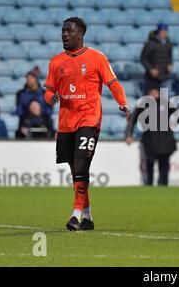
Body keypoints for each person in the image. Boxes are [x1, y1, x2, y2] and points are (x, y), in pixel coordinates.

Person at [44, 17, 130, 231]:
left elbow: (113, 82)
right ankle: (88, 218)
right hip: (65, 122)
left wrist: (123, 103)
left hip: (89, 118)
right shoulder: (56, 62)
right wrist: (50, 98)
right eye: (63, 31)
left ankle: (75, 216)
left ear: (80, 35)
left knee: (82, 164)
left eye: (69, 31)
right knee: (76, 171)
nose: (64, 34)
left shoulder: (96, 58)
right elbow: (48, 91)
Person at [125, 88, 177, 186]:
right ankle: (149, 184)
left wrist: (174, 123)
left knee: (164, 164)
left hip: (166, 139)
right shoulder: (143, 105)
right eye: (151, 92)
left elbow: (178, 114)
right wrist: (129, 135)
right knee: (150, 163)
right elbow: (132, 120)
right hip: (150, 139)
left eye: (155, 92)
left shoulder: (165, 103)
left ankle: (164, 184)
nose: (153, 94)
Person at [140, 23, 173, 92]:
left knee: (164, 99)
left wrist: (170, 64)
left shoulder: (168, 44)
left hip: (164, 75)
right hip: (152, 77)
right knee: (150, 99)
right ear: (158, 32)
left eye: (165, 31)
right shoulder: (150, 43)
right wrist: (150, 69)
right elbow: (143, 58)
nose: (164, 33)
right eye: (162, 31)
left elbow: (169, 57)